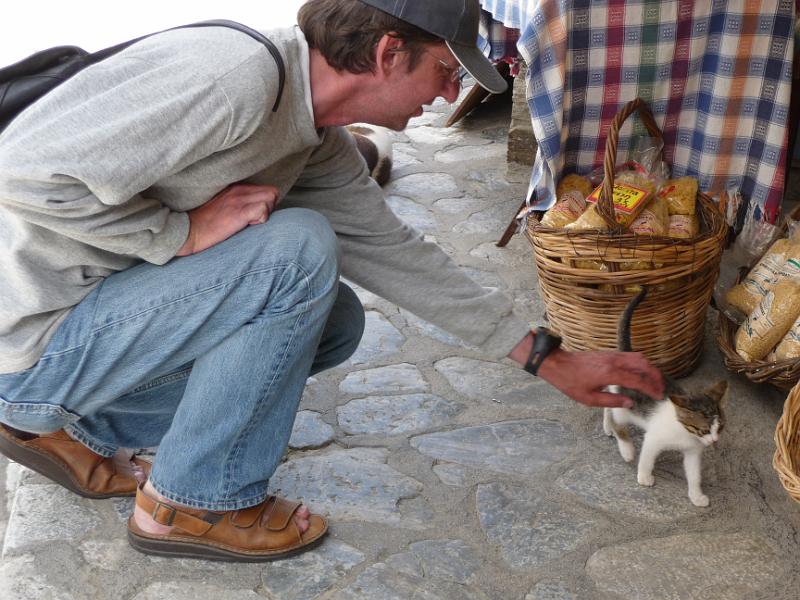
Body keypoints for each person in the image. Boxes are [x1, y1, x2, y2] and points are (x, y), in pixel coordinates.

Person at [0, 0, 663, 562]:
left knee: (334, 318)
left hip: (83, 332)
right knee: (297, 251)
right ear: (388, 53)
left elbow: (394, 251)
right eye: (443, 69)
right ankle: (190, 502)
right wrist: (180, 234)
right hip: (29, 340)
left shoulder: (309, 136)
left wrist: (550, 359)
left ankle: (78, 426)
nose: (446, 93)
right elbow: (20, 169)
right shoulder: (237, 80)